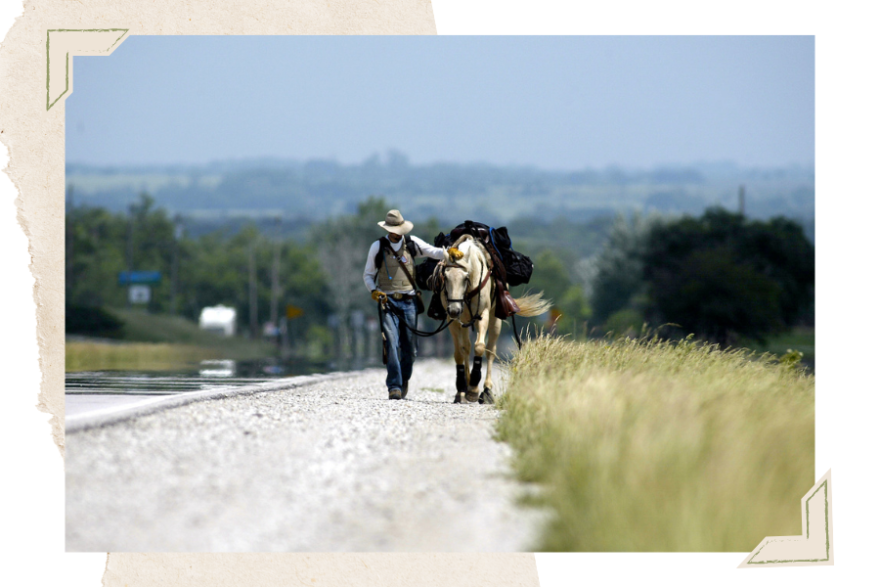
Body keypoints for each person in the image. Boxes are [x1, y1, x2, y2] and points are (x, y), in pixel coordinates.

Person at [364, 209, 446, 400]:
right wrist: (374, 291)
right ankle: (394, 385)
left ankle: (403, 380)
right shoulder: (377, 247)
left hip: (409, 302)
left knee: (411, 349)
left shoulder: (412, 243)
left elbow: (432, 252)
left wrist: (450, 255)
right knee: (391, 343)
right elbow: (368, 275)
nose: (396, 233)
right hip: (388, 302)